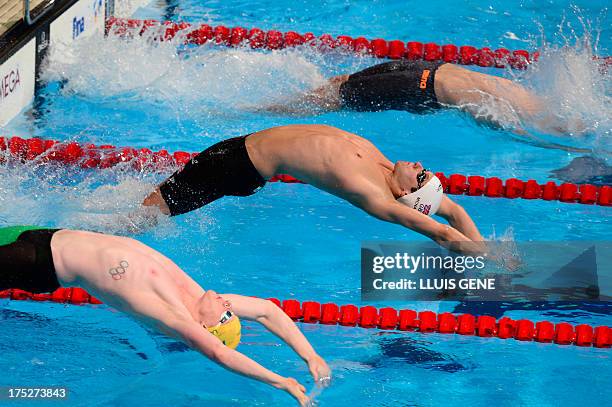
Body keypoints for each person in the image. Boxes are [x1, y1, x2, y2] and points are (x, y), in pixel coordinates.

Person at [0, 225, 329, 406]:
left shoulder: (173, 317)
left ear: (203, 328)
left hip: (38, 261)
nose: (229, 305)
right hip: (47, 235)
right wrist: (310, 355)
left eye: (226, 314)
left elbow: (218, 352)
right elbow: (267, 311)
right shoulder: (201, 297)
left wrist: (281, 382)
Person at [143, 124, 485, 255]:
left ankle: (106, 229)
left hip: (237, 165)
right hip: (239, 149)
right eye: (427, 172)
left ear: (406, 195)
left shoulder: (374, 195)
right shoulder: (385, 165)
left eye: (421, 177)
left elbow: (441, 232)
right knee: (152, 203)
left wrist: (495, 269)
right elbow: (453, 212)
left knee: (147, 213)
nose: (420, 167)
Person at [264, 60, 568, 135]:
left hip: (423, 68)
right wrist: (549, 146)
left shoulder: (525, 95)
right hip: (417, 87)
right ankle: (262, 110)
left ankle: (275, 100)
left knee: (341, 85)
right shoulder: (505, 108)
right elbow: (509, 130)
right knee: (333, 101)